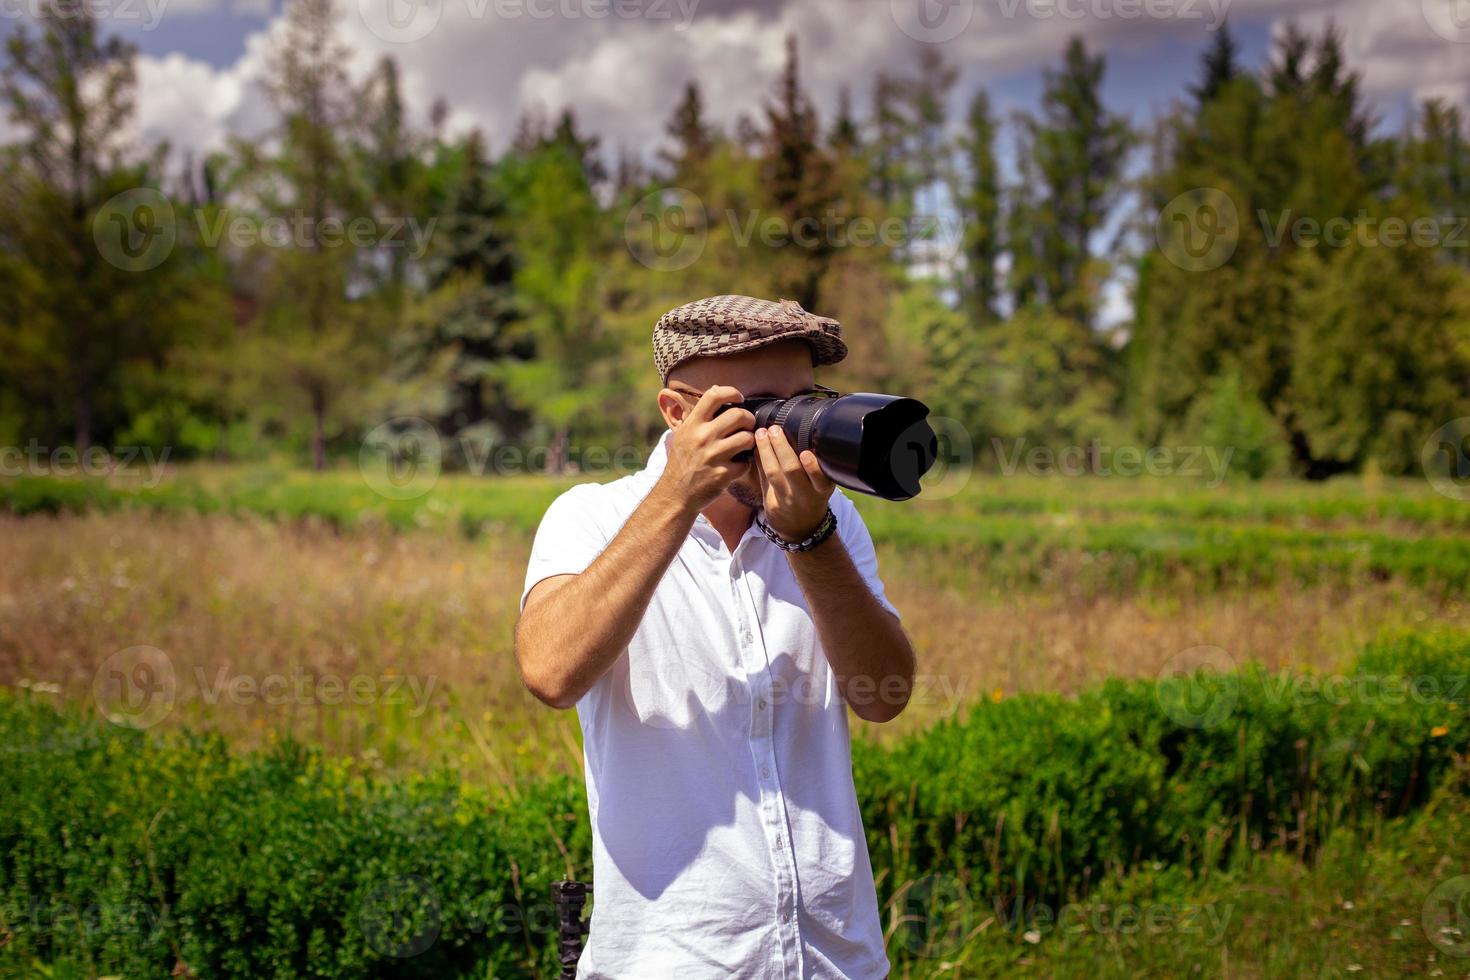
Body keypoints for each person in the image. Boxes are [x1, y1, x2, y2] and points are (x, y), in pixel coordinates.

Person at [515, 294, 916, 978]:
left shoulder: (832, 518)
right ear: (679, 412)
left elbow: (885, 695)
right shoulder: (590, 516)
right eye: (762, 407)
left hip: (833, 959)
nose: (785, 433)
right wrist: (677, 496)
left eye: (803, 400)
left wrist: (809, 539)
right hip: (672, 961)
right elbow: (551, 673)